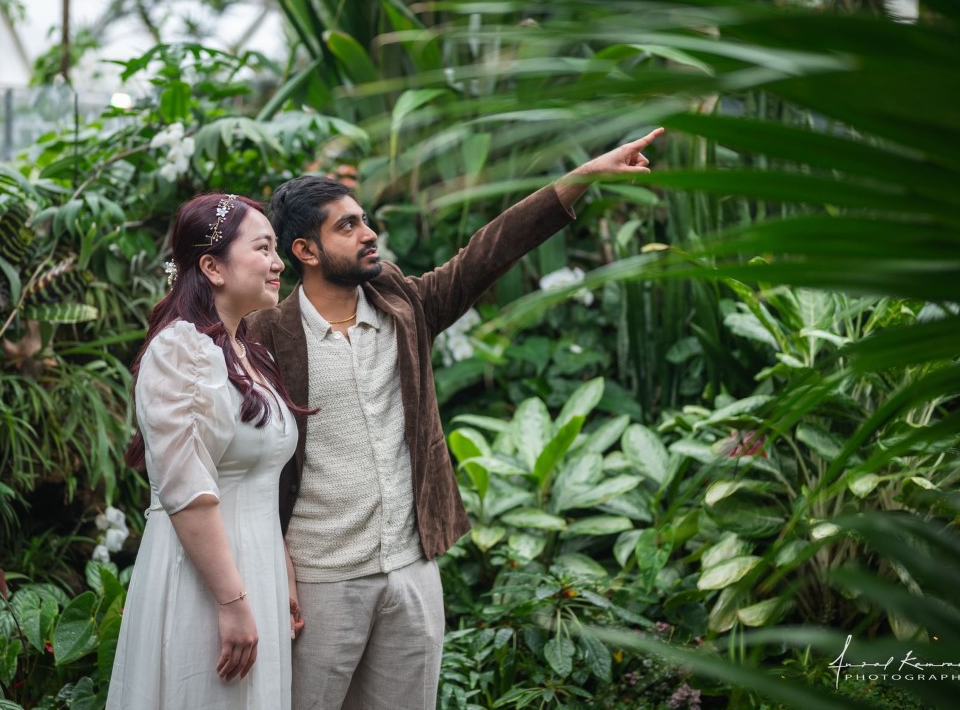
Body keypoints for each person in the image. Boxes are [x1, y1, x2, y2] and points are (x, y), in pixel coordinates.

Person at [246, 128, 665, 710]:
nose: (369, 234)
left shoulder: (401, 305)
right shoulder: (265, 335)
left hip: (413, 569)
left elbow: (485, 254)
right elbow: (244, 460)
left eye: (364, 220)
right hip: (319, 580)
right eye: (347, 226)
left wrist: (582, 177)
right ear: (305, 252)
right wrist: (272, 566)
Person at [107, 192, 310, 710]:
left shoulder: (247, 351)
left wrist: (280, 571)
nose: (278, 262)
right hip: (207, 580)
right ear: (212, 266)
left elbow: (258, 476)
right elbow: (187, 490)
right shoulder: (181, 349)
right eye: (263, 248)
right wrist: (233, 600)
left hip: (254, 569)